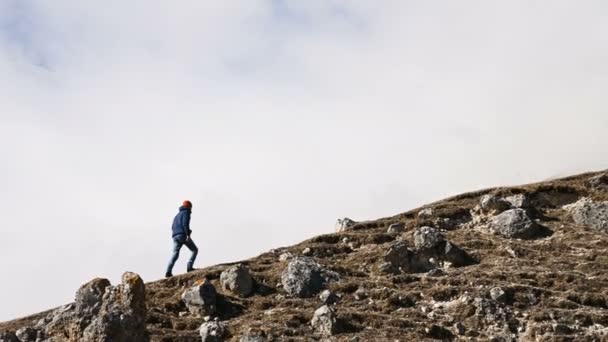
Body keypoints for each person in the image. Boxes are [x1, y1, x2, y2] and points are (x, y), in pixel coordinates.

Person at [165, 200, 198, 277]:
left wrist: (176, 234)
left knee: (175, 254)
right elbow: (185, 224)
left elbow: (173, 226)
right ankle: (189, 267)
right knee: (194, 250)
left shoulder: (177, 215)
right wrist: (188, 235)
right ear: (189, 207)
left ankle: (168, 272)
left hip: (175, 236)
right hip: (182, 235)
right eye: (191, 207)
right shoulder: (186, 213)